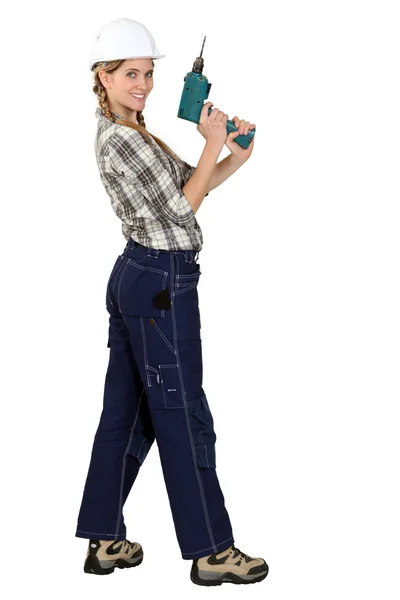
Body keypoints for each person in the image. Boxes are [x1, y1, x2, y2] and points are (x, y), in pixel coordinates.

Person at [75, 17, 268, 587]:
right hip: (160, 285)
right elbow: (182, 212)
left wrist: (234, 156)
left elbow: (193, 186)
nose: (144, 84)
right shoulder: (122, 140)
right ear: (103, 78)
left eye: (148, 73)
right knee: (183, 416)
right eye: (131, 73)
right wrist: (212, 143)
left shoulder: (138, 134)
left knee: (126, 413)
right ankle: (211, 552)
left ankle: (105, 540)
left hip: (144, 277)